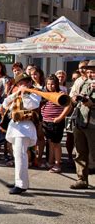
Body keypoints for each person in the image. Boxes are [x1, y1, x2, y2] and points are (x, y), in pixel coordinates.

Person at [3, 73, 41, 194]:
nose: (22, 84)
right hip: (15, 127)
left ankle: (21, 184)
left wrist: (25, 94)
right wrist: (17, 93)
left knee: (21, 156)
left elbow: (32, 105)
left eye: (25, 82)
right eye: (20, 83)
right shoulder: (16, 94)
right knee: (17, 156)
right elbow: (5, 104)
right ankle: (18, 180)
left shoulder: (35, 93)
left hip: (25, 127)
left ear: (30, 82)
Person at [69, 60, 95, 189]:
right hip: (81, 121)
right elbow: (76, 98)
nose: (90, 74)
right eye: (89, 72)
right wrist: (75, 98)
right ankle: (82, 179)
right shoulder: (84, 82)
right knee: (80, 152)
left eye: (93, 72)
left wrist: (92, 103)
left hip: (93, 124)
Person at [40, 75, 71, 174]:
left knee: (56, 144)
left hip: (56, 122)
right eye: (48, 84)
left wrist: (60, 118)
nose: (50, 86)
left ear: (57, 84)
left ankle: (57, 164)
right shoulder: (44, 94)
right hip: (46, 121)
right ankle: (50, 162)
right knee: (50, 143)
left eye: (52, 84)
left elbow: (68, 106)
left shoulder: (60, 94)